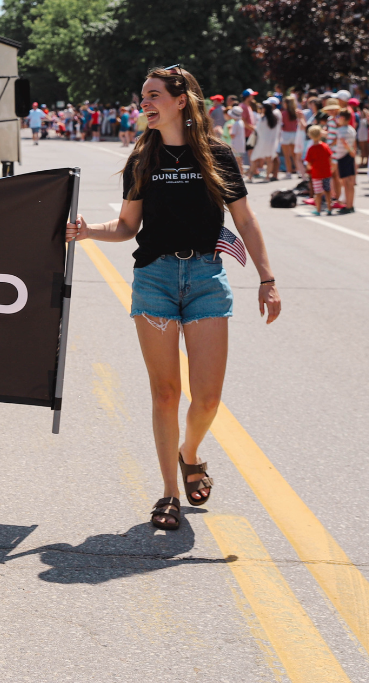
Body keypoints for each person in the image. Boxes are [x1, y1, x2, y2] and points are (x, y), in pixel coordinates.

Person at [65, 66, 280, 532]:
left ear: (180, 101)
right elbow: (126, 227)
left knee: (206, 399)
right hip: (155, 279)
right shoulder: (144, 156)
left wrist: (267, 277)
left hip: (206, 277)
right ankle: (168, 493)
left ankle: (190, 453)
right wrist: (87, 233)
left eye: (154, 94)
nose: (145, 102)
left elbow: (245, 220)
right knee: (165, 393)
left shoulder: (217, 155)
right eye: (142, 95)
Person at [330, 109, 357, 214]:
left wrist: (350, 151)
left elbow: (343, 141)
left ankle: (348, 206)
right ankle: (350, 204)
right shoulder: (351, 129)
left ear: (343, 118)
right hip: (349, 157)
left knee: (346, 182)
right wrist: (353, 152)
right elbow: (353, 142)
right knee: (350, 182)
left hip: (343, 156)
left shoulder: (341, 130)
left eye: (338, 117)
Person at [304, 126, 334, 215]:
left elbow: (309, 164)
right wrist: (330, 167)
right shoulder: (325, 146)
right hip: (326, 172)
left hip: (316, 174)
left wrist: (309, 169)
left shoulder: (311, 149)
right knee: (328, 191)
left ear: (310, 136)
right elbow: (330, 158)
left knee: (317, 193)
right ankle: (329, 208)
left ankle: (318, 210)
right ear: (321, 134)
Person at [250, 96, 281, 181]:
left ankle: (250, 177)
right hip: (271, 142)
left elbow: (257, 130)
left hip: (261, 142)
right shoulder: (275, 119)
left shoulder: (262, 119)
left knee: (254, 158)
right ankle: (267, 177)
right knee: (269, 160)